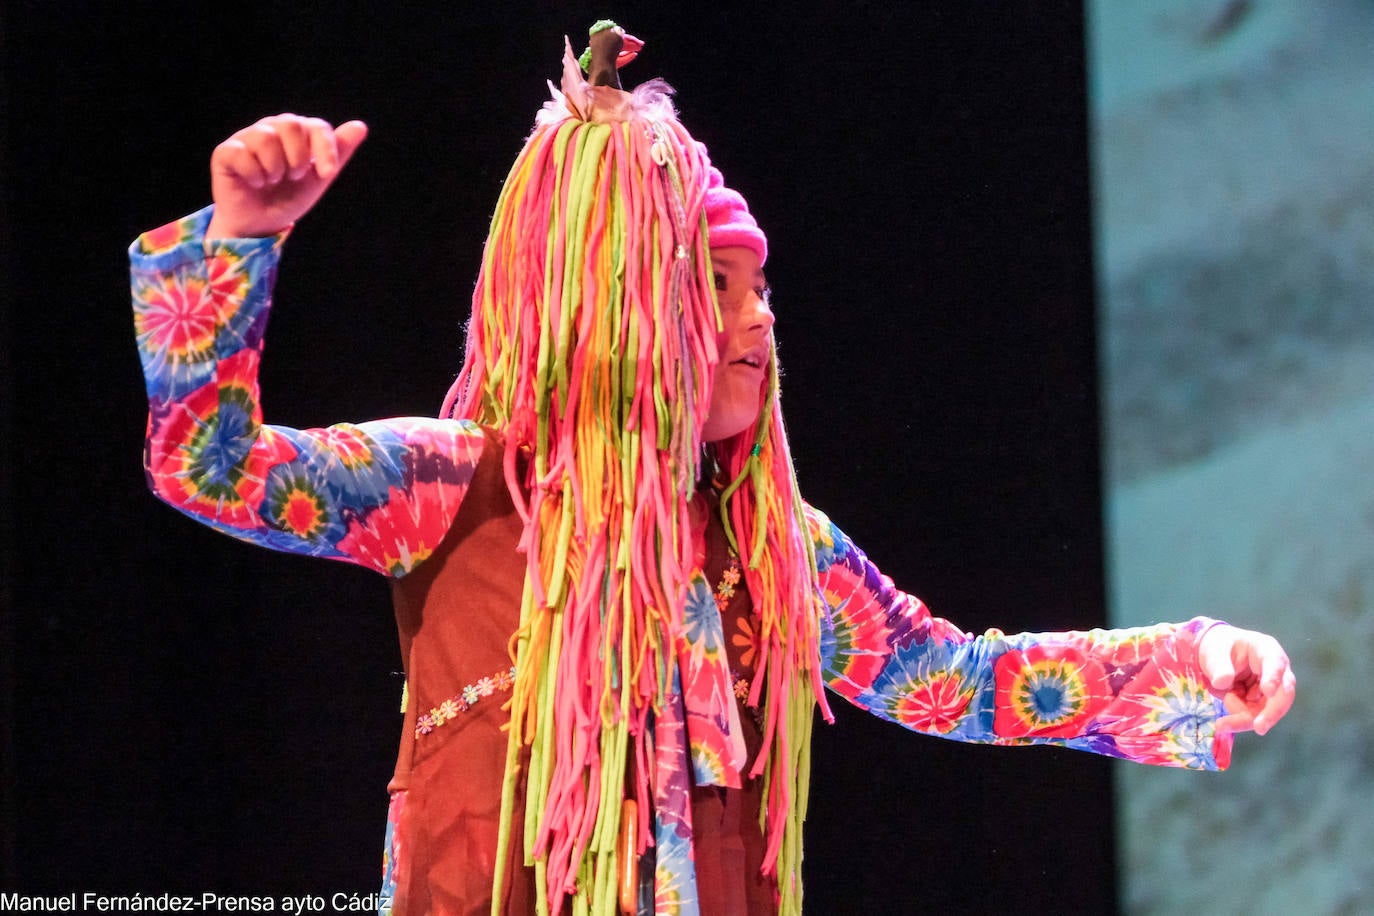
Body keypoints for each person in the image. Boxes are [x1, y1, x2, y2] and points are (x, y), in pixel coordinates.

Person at [129, 24, 1295, 916]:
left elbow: (960, 677)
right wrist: (242, 242)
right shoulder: (456, 490)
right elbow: (211, 465)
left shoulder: (778, 557)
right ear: (610, 305)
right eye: (714, 284)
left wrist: (1190, 660)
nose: (756, 319)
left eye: (761, 286)